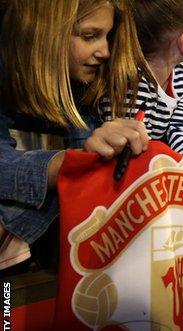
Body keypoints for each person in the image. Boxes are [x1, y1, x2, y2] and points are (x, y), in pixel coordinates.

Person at [1, 0, 149, 269]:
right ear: (45, 31)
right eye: (90, 36)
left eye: (108, 36)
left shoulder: (79, 83)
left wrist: (96, 159)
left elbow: (90, 183)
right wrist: (75, 162)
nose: (105, 51)